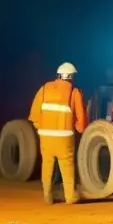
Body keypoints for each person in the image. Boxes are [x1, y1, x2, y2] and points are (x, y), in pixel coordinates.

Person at [28, 62, 88, 205]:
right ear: (71, 77)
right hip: (65, 138)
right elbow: (81, 118)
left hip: (46, 138)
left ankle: (47, 197)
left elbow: (34, 115)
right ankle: (71, 197)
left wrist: (41, 129)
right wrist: (80, 129)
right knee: (67, 166)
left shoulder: (44, 89)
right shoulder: (74, 92)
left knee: (47, 165)